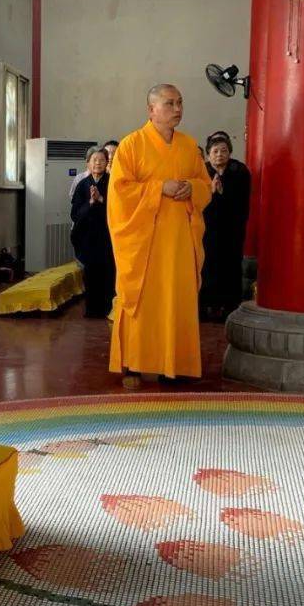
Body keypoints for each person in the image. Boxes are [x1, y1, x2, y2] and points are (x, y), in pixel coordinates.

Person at [108, 85, 212, 389]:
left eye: (180, 103)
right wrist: (158, 188)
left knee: (176, 299)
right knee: (140, 300)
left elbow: (205, 185)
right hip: (145, 244)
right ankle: (135, 365)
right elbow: (119, 193)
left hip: (179, 240)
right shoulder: (131, 145)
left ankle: (174, 365)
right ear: (151, 110)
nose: (177, 108)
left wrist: (193, 187)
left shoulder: (189, 146)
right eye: (169, 103)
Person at [200, 131, 251, 321]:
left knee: (230, 267)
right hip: (207, 229)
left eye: (223, 151)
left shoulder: (240, 171)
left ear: (229, 152)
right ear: (208, 154)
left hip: (231, 229)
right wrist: (210, 193)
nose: (219, 155)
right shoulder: (202, 171)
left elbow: (243, 201)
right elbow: (196, 200)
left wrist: (223, 192)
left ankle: (230, 308)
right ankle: (206, 307)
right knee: (207, 266)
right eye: (215, 151)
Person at [71, 146, 116, 318]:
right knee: (90, 274)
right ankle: (92, 310)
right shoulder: (82, 184)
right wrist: (90, 202)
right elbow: (74, 214)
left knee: (108, 271)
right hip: (87, 237)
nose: (98, 163)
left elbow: (118, 209)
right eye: (94, 160)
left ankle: (108, 308)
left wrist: (101, 199)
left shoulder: (112, 182)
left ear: (107, 163)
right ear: (88, 163)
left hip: (107, 236)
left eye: (101, 160)